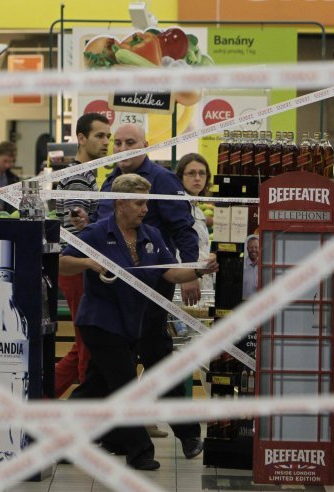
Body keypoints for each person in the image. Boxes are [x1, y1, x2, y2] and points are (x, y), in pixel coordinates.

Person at [60, 173, 218, 470]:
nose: (144, 208)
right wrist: (89, 263)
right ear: (120, 203)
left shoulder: (151, 236)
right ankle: (140, 452)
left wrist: (198, 270)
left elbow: (170, 273)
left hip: (133, 322)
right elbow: (62, 263)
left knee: (94, 387)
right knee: (124, 384)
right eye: (138, 202)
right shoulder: (96, 233)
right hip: (101, 323)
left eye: (146, 202)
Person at [95, 124, 203, 458]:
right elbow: (101, 230)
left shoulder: (163, 180)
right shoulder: (109, 182)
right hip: (113, 290)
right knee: (110, 364)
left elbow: (183, 229)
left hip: (152, 286)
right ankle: (114, 437)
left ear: (145, 144)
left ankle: (188, 434)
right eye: (118, 142)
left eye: (131, 142)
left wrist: (189, 273)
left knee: (156, 357)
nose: (123, 147)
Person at [53, 112, 112, 398]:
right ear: (81, 138)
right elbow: (78, 224)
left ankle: (36, 395)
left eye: (108, 137)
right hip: (78, 267)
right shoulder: (77, 177)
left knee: (81, 346)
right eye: (99, 136)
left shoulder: (84, 175)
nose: (106, 142)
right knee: (87, 345)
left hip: (80, 266)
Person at [176, 153, 214, 291]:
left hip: (201, 276)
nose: (197, 178)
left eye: (202, 173)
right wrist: (188, 276)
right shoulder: (178, 206)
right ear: (180, 177)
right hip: (185, 279)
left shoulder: (196, 206)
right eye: (191, 173)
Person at [242, 234, 259, 300]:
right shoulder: (242, 266)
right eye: (251, 247)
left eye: (256, 247)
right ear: (247, 249)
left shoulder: (264, 267)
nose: (253, 250)